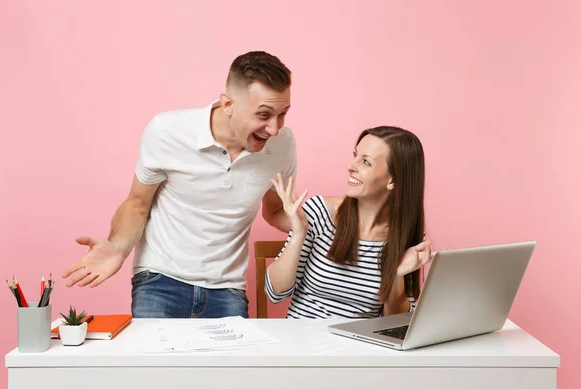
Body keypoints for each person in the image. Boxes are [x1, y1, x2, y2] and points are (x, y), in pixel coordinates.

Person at [62, 51, 297, 319]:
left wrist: (330, 223)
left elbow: (276, 210)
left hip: (227, 288)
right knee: (155, 362)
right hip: (160, 280)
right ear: (228, 103)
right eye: (264, 115)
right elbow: (138, 203)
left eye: (283, 114)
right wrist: (118, 247)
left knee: (232, 363)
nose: (275, 128)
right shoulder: (167, 131)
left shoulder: (283, 145)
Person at [265, 126, 432, 318]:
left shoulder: (407, 236)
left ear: (392, 180)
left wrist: (396, 275)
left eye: (366, 162)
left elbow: (395, 320)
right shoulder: (319, 212)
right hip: (302, 342)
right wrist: (298, 234)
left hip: (359, 346)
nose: (351, 166)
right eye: (355, 155)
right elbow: (275, 293)